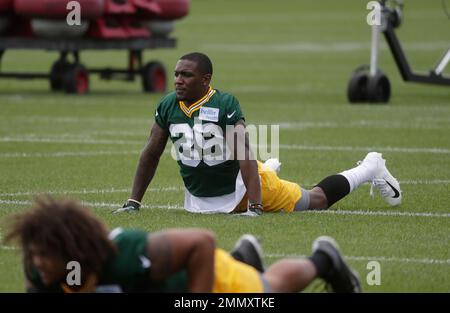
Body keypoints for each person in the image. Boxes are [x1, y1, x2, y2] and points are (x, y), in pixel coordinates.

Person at [116, 52, 401, 215]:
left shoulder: (224, 104)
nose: (178, 80)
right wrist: (134, 202)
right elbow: (151, 153)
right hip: (203, 198)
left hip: (242, 187)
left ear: (205, 80)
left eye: (186, 75)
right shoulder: (168, 105)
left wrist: (255, 205)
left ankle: (370, 166)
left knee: (316, 201)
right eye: (177, 74)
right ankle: (269, 171)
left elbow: (244, 154)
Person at [4, 196, 361, 293]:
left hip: (207, 279)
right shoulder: (42, 274)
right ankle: (244, 256)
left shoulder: (128, 253)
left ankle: (323, 259)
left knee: (272, 290)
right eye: (34, 253)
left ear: (74, 252)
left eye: (44, 254)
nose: (37, 261)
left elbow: (201, 242)